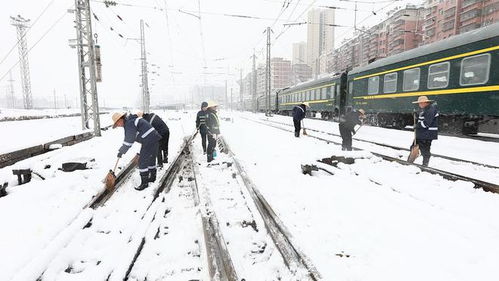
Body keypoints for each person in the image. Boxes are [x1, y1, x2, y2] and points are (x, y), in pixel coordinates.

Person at [112, 112, 161, 191]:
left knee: (142, 161)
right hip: (154, 138)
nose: (118, 126)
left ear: (120, 119)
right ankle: (152, 177)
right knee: (151, 158)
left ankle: (144, 183)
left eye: (117, 124)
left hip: (148, 140)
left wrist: (121, 151)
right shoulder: (131, 120)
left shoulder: (129, 124)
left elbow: (129, 140)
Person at [412, 96, 439, 166]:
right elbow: (423, 119)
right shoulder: (426, 109)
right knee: (414, 146)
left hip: (427, 134)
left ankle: (425, 164)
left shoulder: (430, 110)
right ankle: (412, 158)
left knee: (425, 150)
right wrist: (416, 116)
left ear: (424, 103)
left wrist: (417, 126)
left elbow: (426, 123)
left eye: (420, 103)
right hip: (423, 134)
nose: (419, 105)